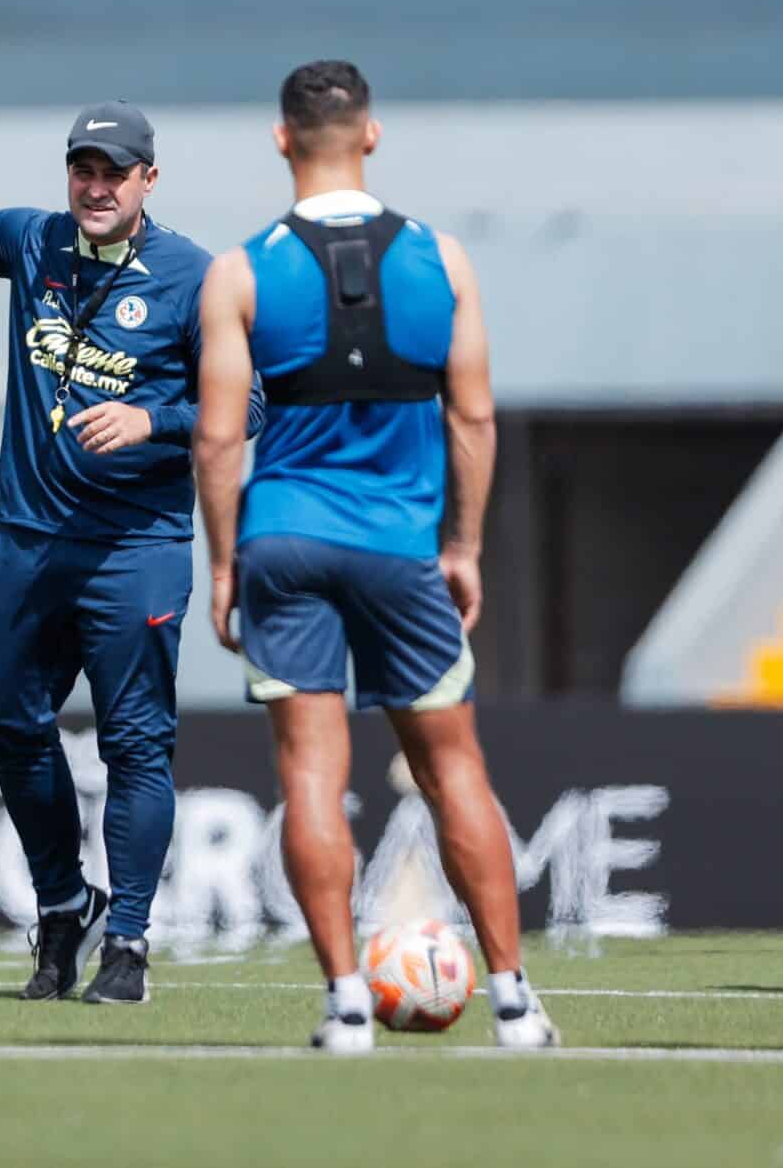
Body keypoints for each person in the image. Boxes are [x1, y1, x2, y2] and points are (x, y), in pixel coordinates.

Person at [194, 60, 554, 1055]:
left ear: (281, 140)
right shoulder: (441, 259)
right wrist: (464, 546)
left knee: (312, 771)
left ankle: (346, 1000)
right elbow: (473, 416)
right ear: (372, 136)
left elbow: (219, 440)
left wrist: (223, 564)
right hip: (402, 548)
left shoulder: (242, 269)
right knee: (452, 770)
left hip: (285, 540)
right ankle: (515, 1002)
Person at [0, 102, 261, 1003]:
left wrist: (152, 419)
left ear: (149, 180)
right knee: (10, 728)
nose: (96, 187)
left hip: (137, 547)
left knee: (136, 745)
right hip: (27, 541)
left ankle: (127, 941)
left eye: (115, 172)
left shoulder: (193, 276)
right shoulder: (33, 239)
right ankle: (64, 906)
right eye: (83, 169)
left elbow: (249, 411)